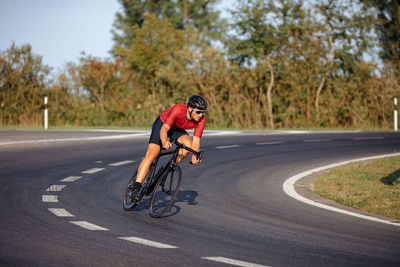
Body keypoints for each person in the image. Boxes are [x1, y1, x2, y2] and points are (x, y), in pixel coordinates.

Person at [130, 95, 207, 201]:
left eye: (203, 112)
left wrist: (194, 155)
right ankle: (136, 187)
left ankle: (166, 169)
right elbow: (164, 129)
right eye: (198, 112)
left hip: (177, 129)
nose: (201, 114)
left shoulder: (201, 120)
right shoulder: (178, 109)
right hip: (162, 125)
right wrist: (164, 141)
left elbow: (196, 141)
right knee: (153, 153)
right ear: (190, 109)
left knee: (188, 145)